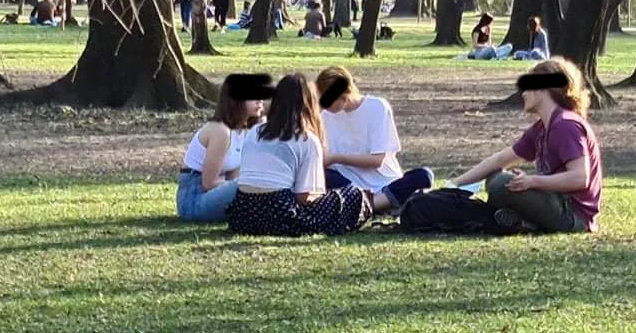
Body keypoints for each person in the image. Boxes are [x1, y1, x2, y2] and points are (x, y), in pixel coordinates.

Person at [450, 57, 602, 234]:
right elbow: (500, 160)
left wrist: (532, 182)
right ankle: (523, 223)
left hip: (574, 216)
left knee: (501, 183)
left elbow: (580, 178)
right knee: (494, 177)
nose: (522, 93)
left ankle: (520, 221)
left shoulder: (565, 125)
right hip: (554, 202)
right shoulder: (541, 128)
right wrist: (454, 184)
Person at [226, 73, 373, 237]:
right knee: (354, 195)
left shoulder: (255, 132)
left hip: (243, 214)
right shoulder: (306, 139)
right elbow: (304, 198)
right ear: (310, 105)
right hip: (280, 214)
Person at [316, 66, 434, 213]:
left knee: (424, 175)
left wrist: (335, 158)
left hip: (384, 184)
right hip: (350, 186)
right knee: (316, 175)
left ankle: (367, 206)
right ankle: (378, 205)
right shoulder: (325, 117)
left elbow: (377, 160)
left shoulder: (377, 107)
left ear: (344, 95)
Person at [176, 74, 273, 223]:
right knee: (253, 184)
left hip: (217, 194)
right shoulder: (220, 131)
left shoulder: (243, 131)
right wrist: (247, 185)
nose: (260, 101)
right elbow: (208, 183)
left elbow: (233, 175)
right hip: (194, 200)